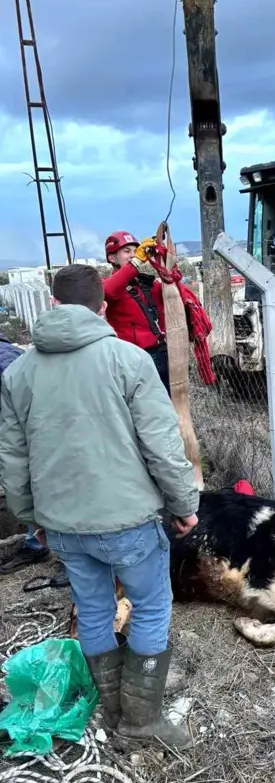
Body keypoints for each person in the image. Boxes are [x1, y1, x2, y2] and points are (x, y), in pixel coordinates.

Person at [0, 265, 200, 750]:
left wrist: (32, 519)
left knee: (92, 609)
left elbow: (13, 456)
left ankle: (112, 712)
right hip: (127, 520)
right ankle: (140, 722)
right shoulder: (128, 360)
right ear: (103, 306)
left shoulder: (19, 371)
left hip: (62, 524)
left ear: (52, 305)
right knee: (151, 607)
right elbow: (162, 444)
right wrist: (183, 503)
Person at [0, 330, 52, 575]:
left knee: (31, 482)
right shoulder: (15, 355)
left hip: (32, 436)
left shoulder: (6, 362)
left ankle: (43, 544)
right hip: (36, 433)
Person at [103, 231, 170, 393]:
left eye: (136, 251)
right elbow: (108, 291)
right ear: (112, 258)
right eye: (127, 251)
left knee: (165, 405)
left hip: (160, 355)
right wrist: (136, 262)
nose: (134, 255)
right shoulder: (108, 285)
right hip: (131, 360)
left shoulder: (147, 285)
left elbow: (172, 293)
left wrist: (164, 261)